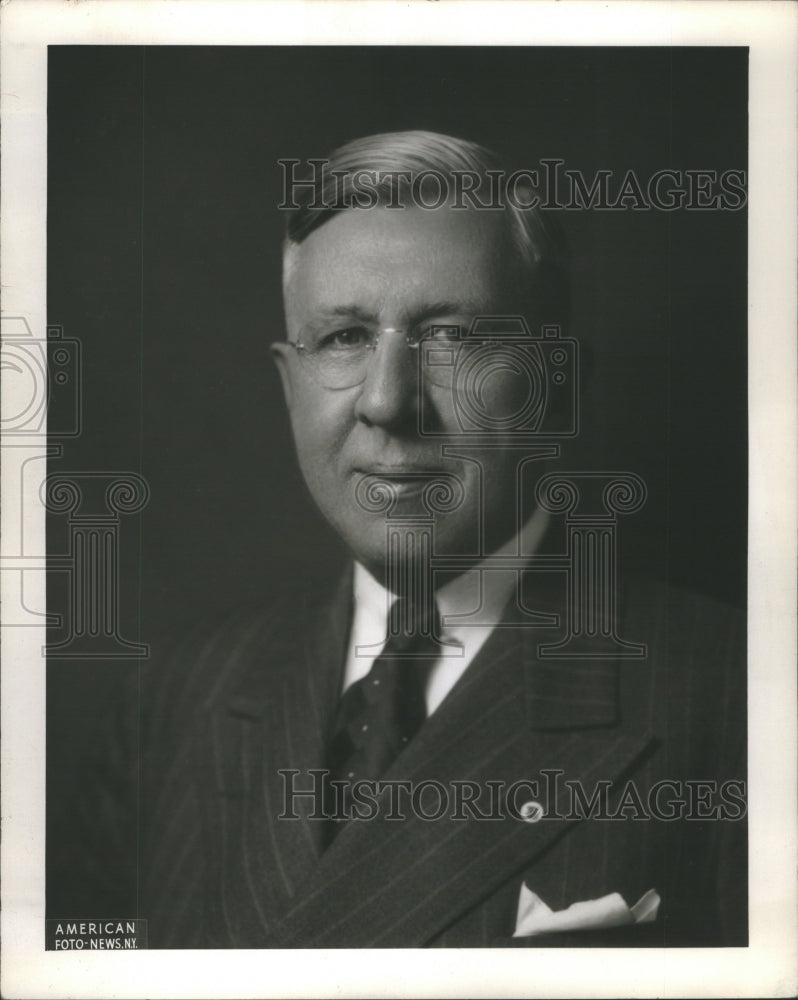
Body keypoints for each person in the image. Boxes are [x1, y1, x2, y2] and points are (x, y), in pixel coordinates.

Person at [54, 130, 746, 948]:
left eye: (453, 336)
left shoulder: (741, 705)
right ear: (288, 385)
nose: (388, 401)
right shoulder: (168, 706)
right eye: (344, 338)